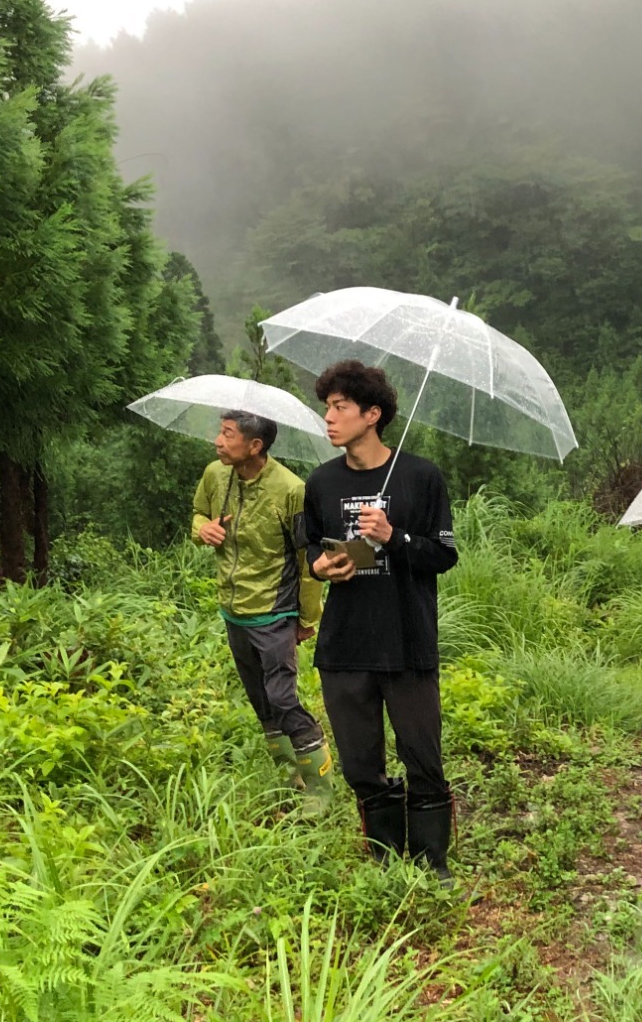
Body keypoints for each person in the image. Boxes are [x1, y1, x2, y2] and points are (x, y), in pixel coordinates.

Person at [303, 361, 460, 880]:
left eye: (340, 407)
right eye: (327, 406)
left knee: (423, 759)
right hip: (345, 647)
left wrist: (395, 536)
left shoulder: (421, 477)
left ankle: (432, 863)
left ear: (372, 415)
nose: (328, 417)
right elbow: (310, 550)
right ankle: (387, 860)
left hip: (407, 643)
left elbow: (443, 555)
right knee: (359, 766)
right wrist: (321, 567)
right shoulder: (321, 482)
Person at [191, 410, 329, 807]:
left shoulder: (291, 490)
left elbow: (307, 557)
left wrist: (307, 617)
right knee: (261, 701)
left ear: (255, 446)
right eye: (220, 432)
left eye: (228, 435)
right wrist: (203, 529)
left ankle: (319, 791)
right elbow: (198, 512)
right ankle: (288, 780)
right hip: (233, 608)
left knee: (283, 698)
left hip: (275, 610)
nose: (218, 441)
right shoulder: (215, 474)